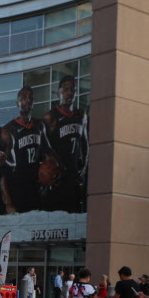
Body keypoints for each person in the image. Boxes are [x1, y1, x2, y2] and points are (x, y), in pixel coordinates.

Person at [40, 75, 88, 212]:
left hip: (74, 174)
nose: (69, 92)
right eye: (66, 89)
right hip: (56, 175)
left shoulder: (81, 115)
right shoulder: (50, 117)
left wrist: (83, 169)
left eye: (73, 89)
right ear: (59, 93)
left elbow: (85, 145)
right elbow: (43, 147)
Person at [3, 86, 45, 213]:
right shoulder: (9, 129)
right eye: (24, 98)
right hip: (17, 186)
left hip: (36, 184)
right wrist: (8, 201)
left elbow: (47, 150)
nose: (28, 100)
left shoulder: (39, 125)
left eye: (30, 98)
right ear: (17, 103)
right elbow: (4, 167)